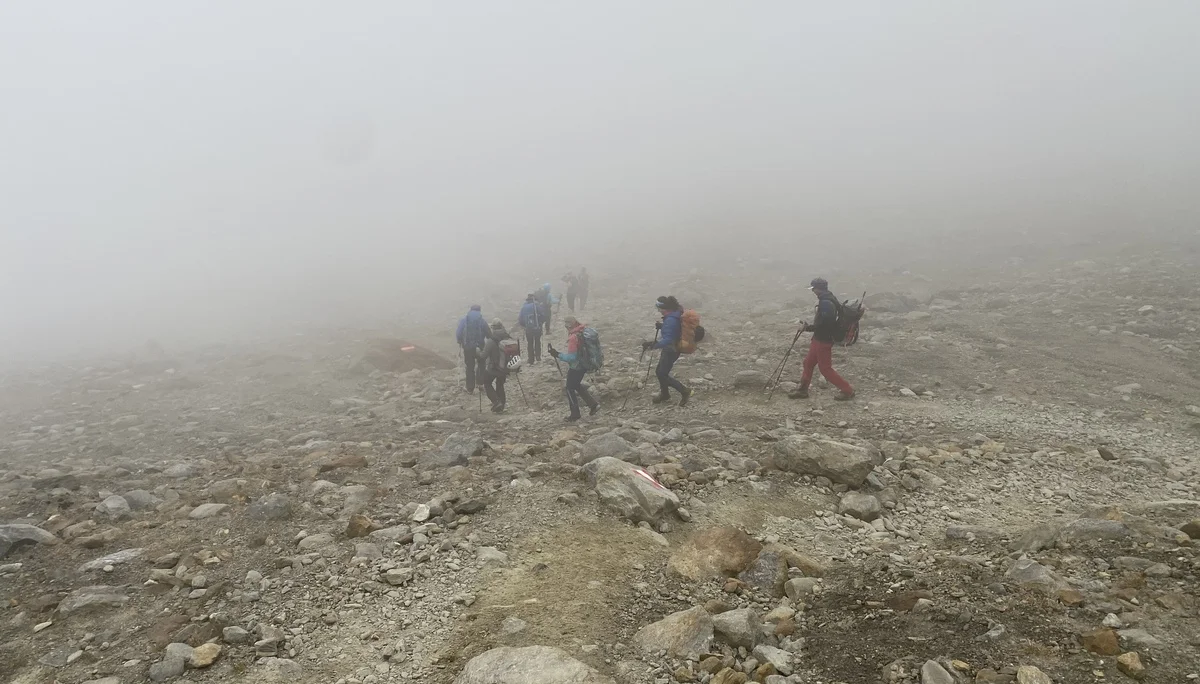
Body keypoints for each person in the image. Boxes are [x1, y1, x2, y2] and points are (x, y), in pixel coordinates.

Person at [789, 277, 855, 401]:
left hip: (824, 340)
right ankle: (803, 390)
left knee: (825, 369)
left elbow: (826, 324)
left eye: (813, 288)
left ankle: (847, 390)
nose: (813, 291)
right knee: (808, 363)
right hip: (818, 339)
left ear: (818, 289)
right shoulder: (828, 298)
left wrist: (808, 328)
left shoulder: (826, 302)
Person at [642, 296, 692, 406]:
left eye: (659, 308)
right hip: (673, 348)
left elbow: (668, 339)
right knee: (660, 372)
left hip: (671, 350)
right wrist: (662, 326)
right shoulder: (674, 314)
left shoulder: (670, 320)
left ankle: (684, 391)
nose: (658, 310)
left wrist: (653, 345)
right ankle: (665, 394)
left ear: (664, 308)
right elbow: (674, 330)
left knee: (662, 374)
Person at [548, 315, 600, 422]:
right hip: (584, 365)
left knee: (569, 388)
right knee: (576, 385)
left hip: (576, 367)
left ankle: (575, 413)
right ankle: (593, 404)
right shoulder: (583, 331)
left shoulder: (573, 337)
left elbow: (572, 358)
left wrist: (557, 354)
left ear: (568, 325)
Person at [477, 319, 511, 412]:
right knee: (500, 384)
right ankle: (502, 404)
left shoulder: (491, 340)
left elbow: (483, 355)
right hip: (505, 367)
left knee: (487, 382)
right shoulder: (507, 337)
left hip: (494, 367)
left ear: (493, 328)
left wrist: (478, 352)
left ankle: (496, 402)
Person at [455, 304, 489, 393]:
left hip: (468, 347)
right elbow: (489, 334)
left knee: (470, 367)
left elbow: (458, 332)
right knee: (481, 364)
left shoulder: (464, 320)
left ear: (470, 310)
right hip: (480, 346)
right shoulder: (482, 321)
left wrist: (460, 341)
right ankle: (480, 384)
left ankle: (470, 388)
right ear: (479, 311)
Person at [517, 293, 543, 365]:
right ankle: (538, 356)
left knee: (530, 343)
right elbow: (543, 315)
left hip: (528, 328)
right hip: (537, 327)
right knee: (537, 341)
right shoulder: (537, 306)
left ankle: (531, 359)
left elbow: (520, 319)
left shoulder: (524, 307)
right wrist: (541, 322)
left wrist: (525, 325)